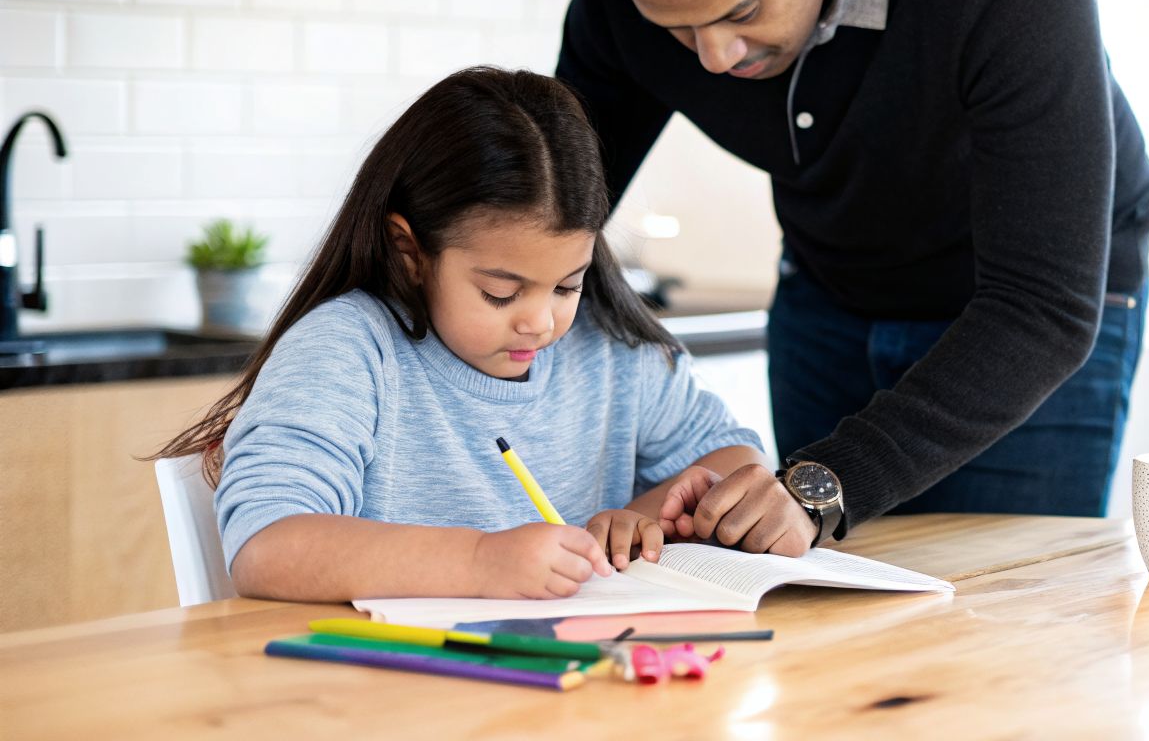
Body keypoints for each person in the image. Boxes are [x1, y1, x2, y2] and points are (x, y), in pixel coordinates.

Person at [556, 0, 1149, 544]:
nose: (711, 57)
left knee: (1007, 612)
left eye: (742, 9)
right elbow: (554, 209)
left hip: (1022, 316)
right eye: (676, 29)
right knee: (826, 606)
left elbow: (1045, 306)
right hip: (830, 295)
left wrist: (826, 484)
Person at [155, 68, 813, 603]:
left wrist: (639, 517)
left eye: (566, 285)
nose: (541, 321)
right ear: (410, 250)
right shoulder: (350, 351)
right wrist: (479, 561)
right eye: (500, 293)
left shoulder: (611, 353)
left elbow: (733, 461)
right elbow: (268, 546)